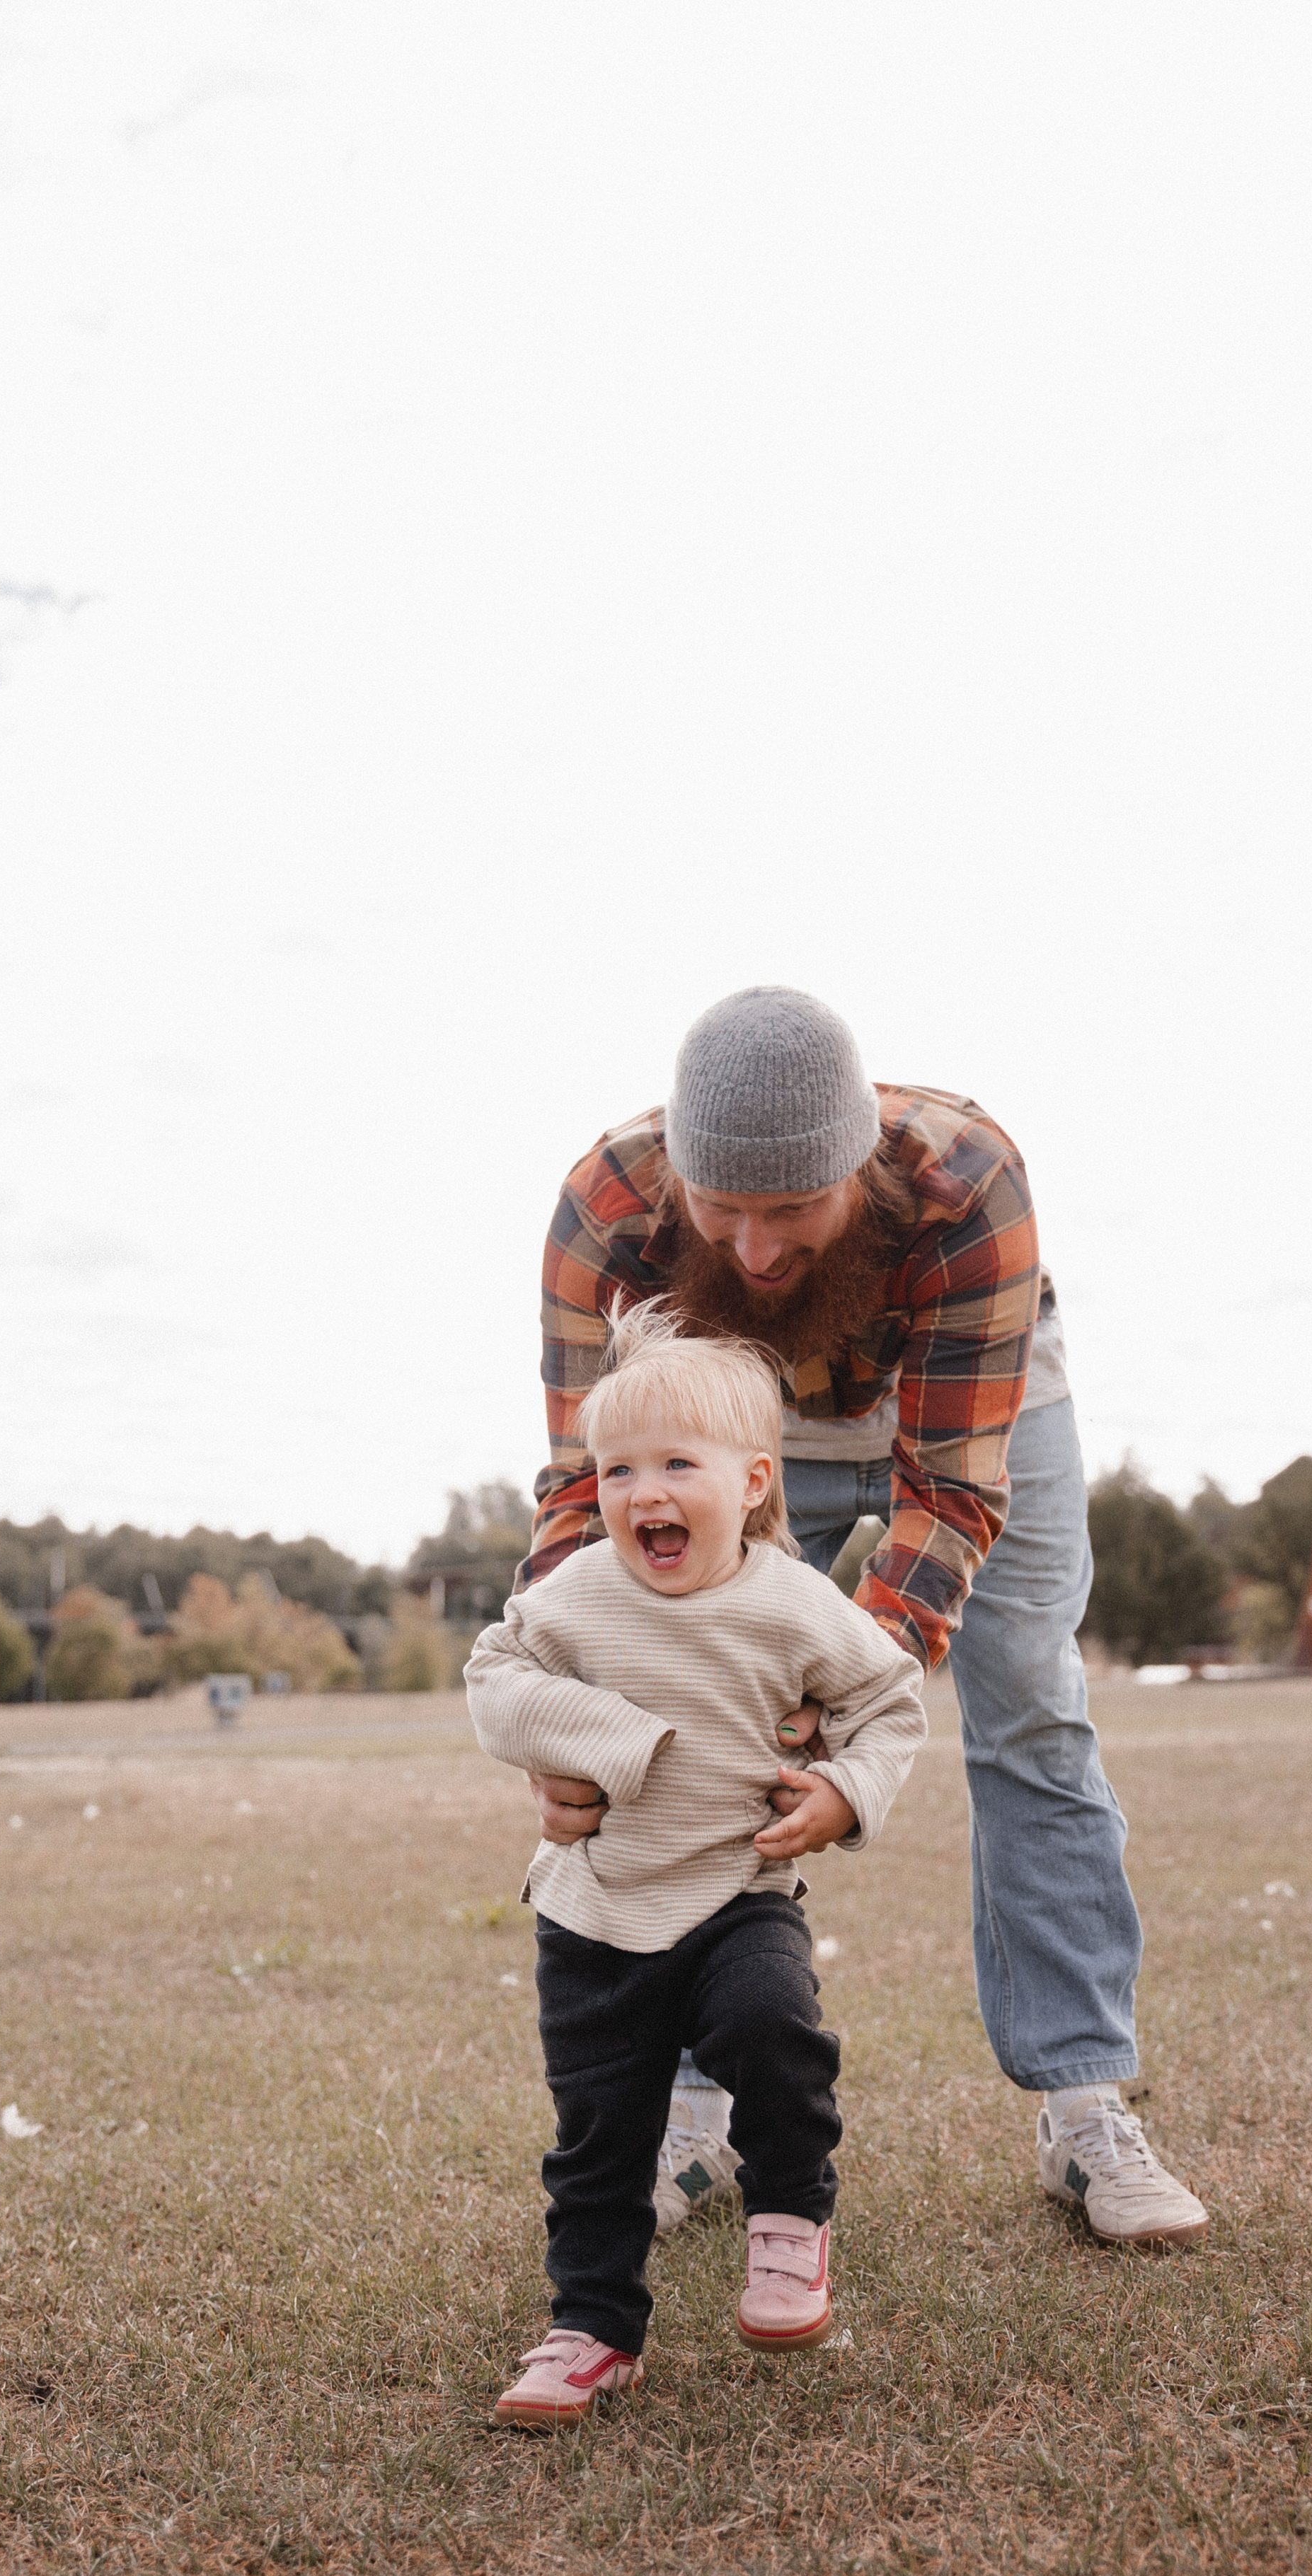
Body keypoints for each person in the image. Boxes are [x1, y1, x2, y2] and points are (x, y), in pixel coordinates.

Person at [518, 985, 1208, 2252]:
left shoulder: (969, 1186)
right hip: (727, 1417)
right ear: (676, 1176)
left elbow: (946, 1497)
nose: (757, 1250)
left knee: (1033, 1715)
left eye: (792, 1211)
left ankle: (1084, 2107)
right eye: (722, 1211)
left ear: (861, 1174)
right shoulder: (606, 1211)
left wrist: (851, 1729)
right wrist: (574, 1717)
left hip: (960, 1396)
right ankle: (690, 2108)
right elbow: (582, 1493)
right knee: (670, 1707)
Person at [465, 1305, 926, 2428]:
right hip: (594, 1913)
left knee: (776, 2031)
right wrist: (602, 1741)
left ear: (756, 1482)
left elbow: (888, 1702)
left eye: (678, 1464)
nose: (643, 1494)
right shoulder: (575, 1594)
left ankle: (789, 2225)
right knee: (599, 2136)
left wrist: (842, 1794)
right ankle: (591, 2328)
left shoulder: (794, 1602)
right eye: (617, 1470)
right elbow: (492, 1676)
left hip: (737, 1895)